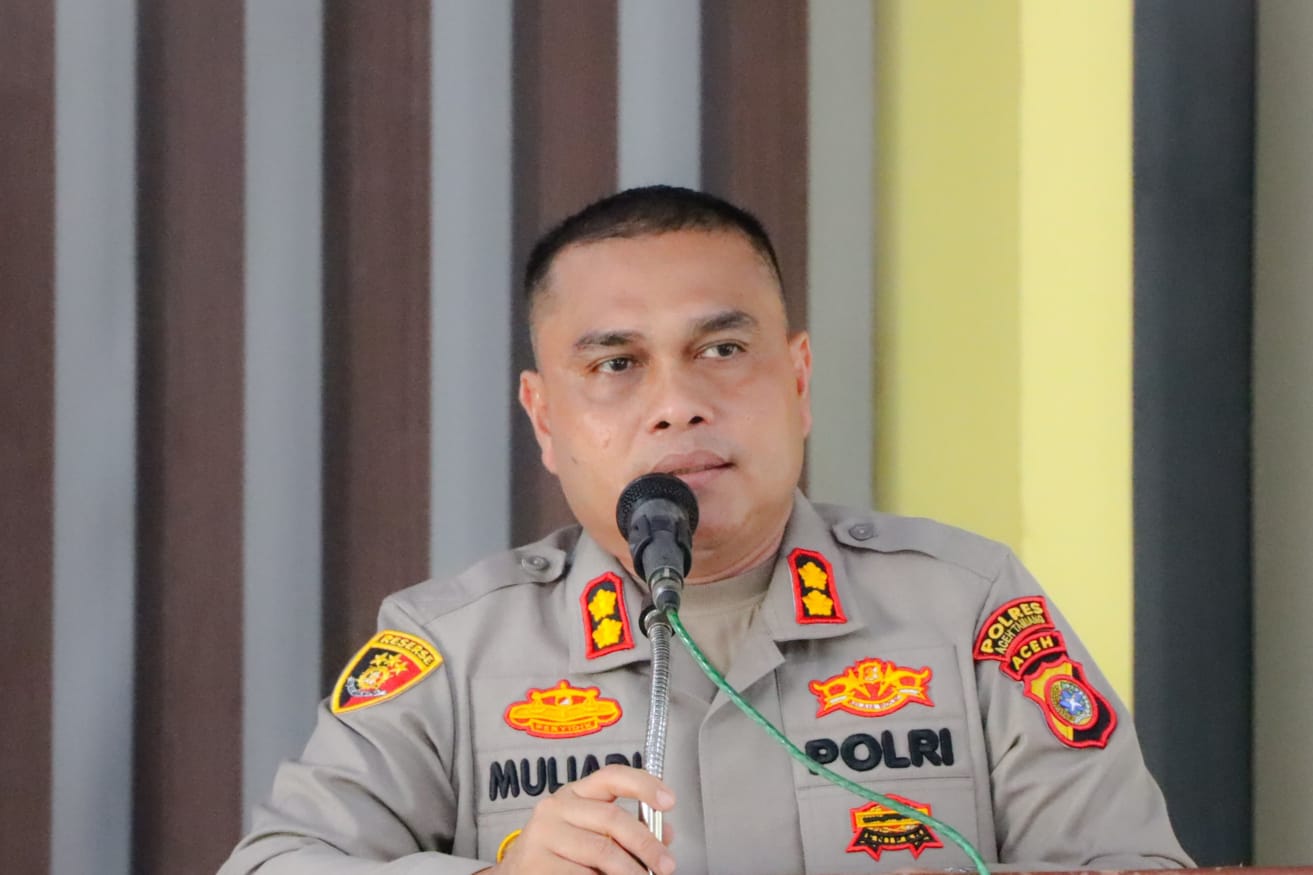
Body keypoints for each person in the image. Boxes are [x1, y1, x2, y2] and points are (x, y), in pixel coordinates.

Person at [220, 186, 1192, 874]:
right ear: (544, 419)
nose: (677, 403)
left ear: (798, 380)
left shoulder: (966, 604)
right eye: (615, 365)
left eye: (720, 349)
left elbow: (1134, 865)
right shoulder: (452, 646)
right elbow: (276, 862)